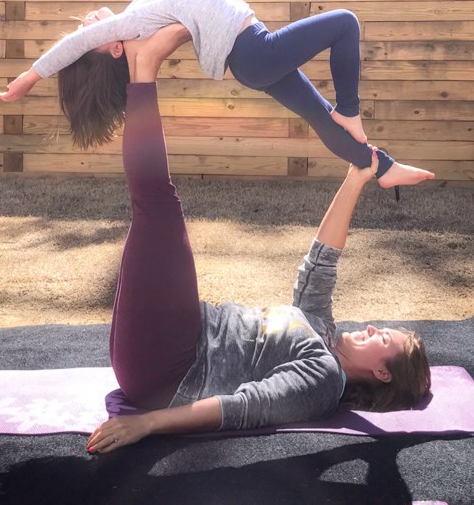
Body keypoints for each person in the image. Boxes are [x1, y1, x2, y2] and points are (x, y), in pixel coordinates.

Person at [83, 40, 431, 454]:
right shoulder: (319, 328)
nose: (373, 327)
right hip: (173, 335)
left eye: (385, 339)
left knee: (158, 207)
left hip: (171, 367)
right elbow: (322, 260)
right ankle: (130, 62)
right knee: (154, 212)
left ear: (382, 373)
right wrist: (356, 179)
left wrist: (147, 424)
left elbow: (245, 407)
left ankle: (141, 65)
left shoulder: (322, 380)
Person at [0, 0, 434, 189]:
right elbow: (76, 45)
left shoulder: (139, 11)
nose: (89, 19)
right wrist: (30, 76)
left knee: (319, 117)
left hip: (250, 58)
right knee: (345, 23)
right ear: (110, 48)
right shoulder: (130, 27)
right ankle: (351, 111)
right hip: (251, 51)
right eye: (89, 31)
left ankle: (382, 167)